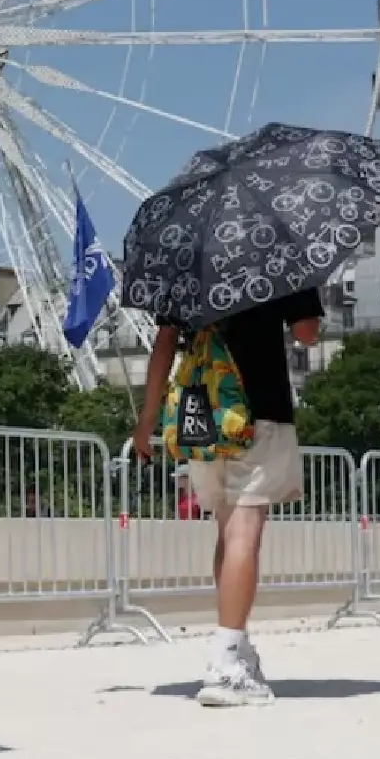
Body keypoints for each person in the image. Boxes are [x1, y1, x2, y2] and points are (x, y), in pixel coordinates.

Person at [132, 289, 323, 707]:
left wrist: (146, 421)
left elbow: (165, 342)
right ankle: (227, 659)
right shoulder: (275, 254)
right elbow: (307, 332)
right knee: (244, 532)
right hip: (258, 409)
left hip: (200, 413)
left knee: (226, 531)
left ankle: (235, 641)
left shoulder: (190, 263)